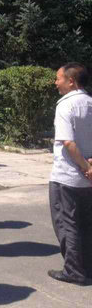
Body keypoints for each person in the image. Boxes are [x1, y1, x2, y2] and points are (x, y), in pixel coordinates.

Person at [48, 62, 92, 285]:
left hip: (68, 175)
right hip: (87, 179)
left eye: (59, 78)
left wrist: (85, 167)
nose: (56, 82)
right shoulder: (90, 102)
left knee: (67, 223)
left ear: (71, 81)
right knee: (85, 223)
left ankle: (74, 270)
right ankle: (87, 266)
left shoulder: (66, 105)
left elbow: (68, 142)